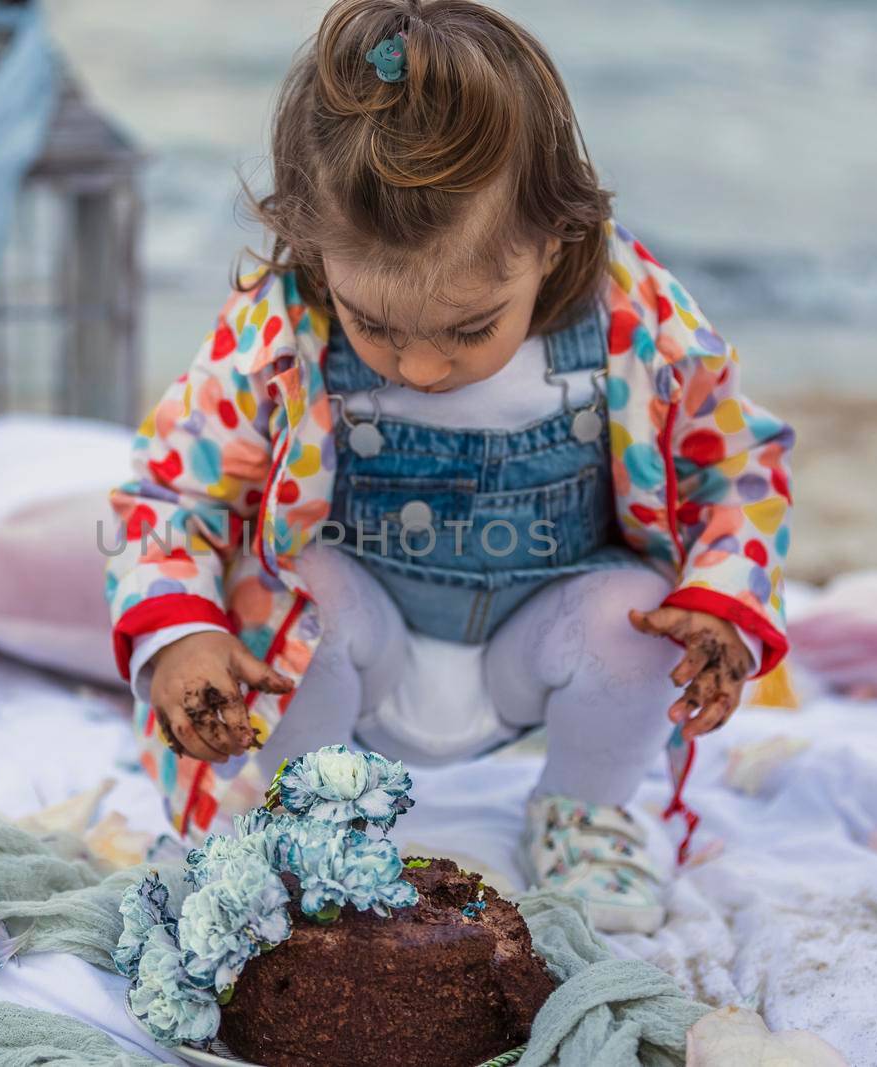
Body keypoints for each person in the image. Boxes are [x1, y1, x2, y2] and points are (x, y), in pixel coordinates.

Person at [105, 0, 792, 934]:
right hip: (360, 656)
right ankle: (310, 810)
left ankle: (585, 812)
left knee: (638, 615)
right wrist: (178, 634)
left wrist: (723, 600)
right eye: (375, 326)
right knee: (291, 585)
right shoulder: (282, 328)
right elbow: (167, 490)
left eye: (471, 328)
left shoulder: (633, 321)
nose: (421, 369)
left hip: (538, 649)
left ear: (553, 237)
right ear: (316, 250)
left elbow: (737, 468)